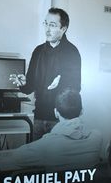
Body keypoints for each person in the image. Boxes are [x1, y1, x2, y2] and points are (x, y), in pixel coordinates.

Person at [0, 89, 104, 171]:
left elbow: (17, 159)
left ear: (56, 113)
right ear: (82, 110)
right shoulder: (97, 138)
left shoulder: (47, 145)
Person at [10, 7, 81, 140]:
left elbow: (76, 88)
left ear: (63, 28)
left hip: (61, 119)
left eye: (52, 25)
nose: (47, 29)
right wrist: (24, 83)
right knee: (36, 159)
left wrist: (61, 82)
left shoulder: (72, 52)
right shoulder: (38, 51)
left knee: (57, 160)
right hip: (39, 117)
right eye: (46, 23)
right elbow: (29, 87)